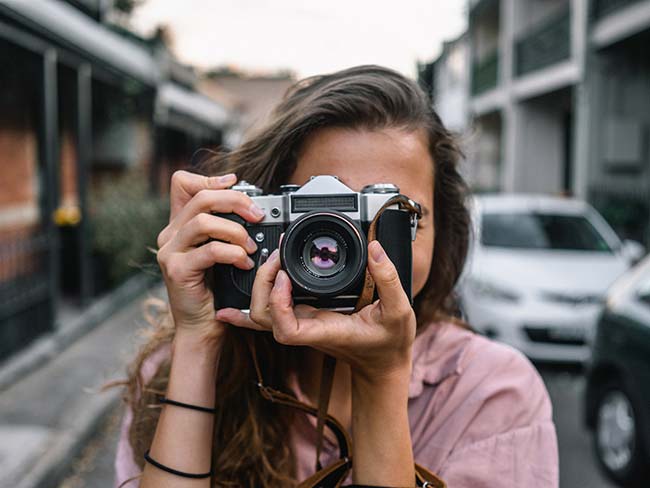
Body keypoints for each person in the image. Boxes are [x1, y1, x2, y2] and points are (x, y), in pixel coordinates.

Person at [114, 65, 558, 488]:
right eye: (321, 217)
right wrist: (199, 343)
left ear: (443, 232)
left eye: (396, 217)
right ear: (262, 219)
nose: (354, 250)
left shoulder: (493, 393)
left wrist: (381, 377)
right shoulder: (176, 370)